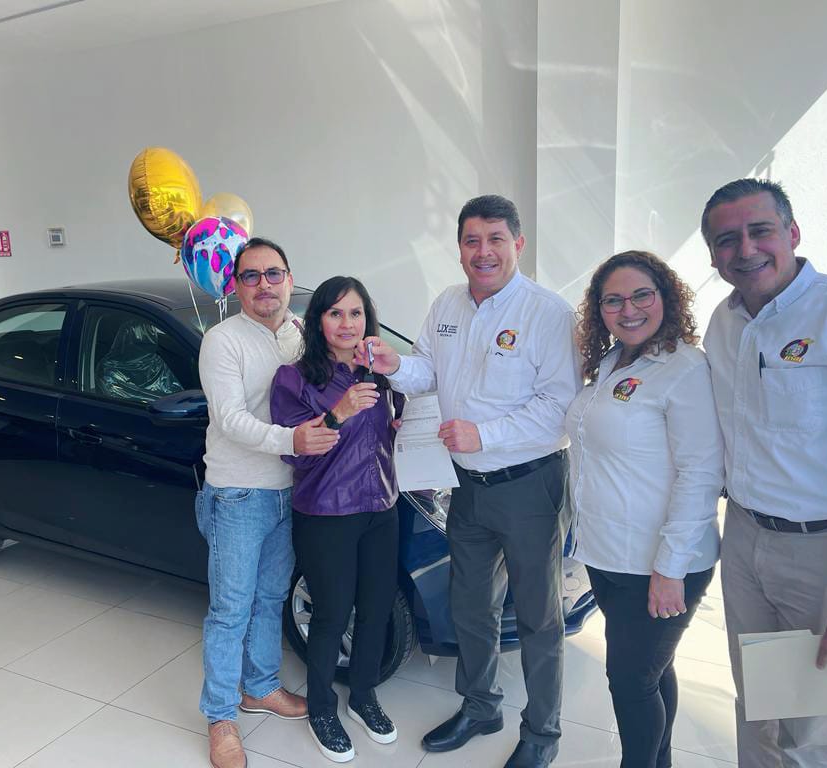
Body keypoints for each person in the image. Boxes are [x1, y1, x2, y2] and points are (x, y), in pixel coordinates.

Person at [361, 195, 582, 768]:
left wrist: (483, 435)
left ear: (518, 244)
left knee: (537, 616)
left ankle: (542, 733)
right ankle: (481, 706)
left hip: (530, 484)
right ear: (459, 247)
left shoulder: (548, 313)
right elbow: (427, 371)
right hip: (464, 484)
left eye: (495, 239)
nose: (483, 252)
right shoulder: (447, 304)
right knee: (471, 604)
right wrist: (394, 366)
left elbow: (559, 408)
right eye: (471, 241)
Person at [701, 178, 827, 767]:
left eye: (760, 231)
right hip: (744, 539)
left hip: (824, 555)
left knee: (809, 732)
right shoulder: (724, 322)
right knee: (756, 706)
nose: (745, 249)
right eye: (726, 240)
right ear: (713, 255)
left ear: (792, 233)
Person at [567, 251, 724, 767]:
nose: (628, 309)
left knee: (630, 682)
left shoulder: (684, 368)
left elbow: (701, 473)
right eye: (613, 300)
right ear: (599, 310)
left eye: (641, 295)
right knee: (652, 672)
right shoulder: (613, 361)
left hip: (659, 562)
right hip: (608, 553)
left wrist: (670, 569)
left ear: (666, 297)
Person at [197, 236, 340, 768]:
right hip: (238, 493)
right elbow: (230, 419)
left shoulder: (300, 335)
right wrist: (292, 440)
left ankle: (260, 688)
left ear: (289, 279)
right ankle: (220, 717)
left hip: (290, 492)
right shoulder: (222, 341)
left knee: (271, 597)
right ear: (236, 286)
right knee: (230, 609)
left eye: (273, 274)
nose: (264, 285)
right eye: (251, 276)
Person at [270, 276, 404, 763]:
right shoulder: (294, 379)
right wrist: (338, 413)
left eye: (356, 313)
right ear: (318, 321)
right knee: (330, 615)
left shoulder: (380, 373)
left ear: (368, 319)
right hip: (326, 512)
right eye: (335, 313)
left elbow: (389, 432)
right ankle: (322, 708)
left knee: (376, 608)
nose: (347, 323)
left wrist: (402, 421)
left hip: (381, 507)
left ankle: (363, 695)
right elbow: (294, 453)